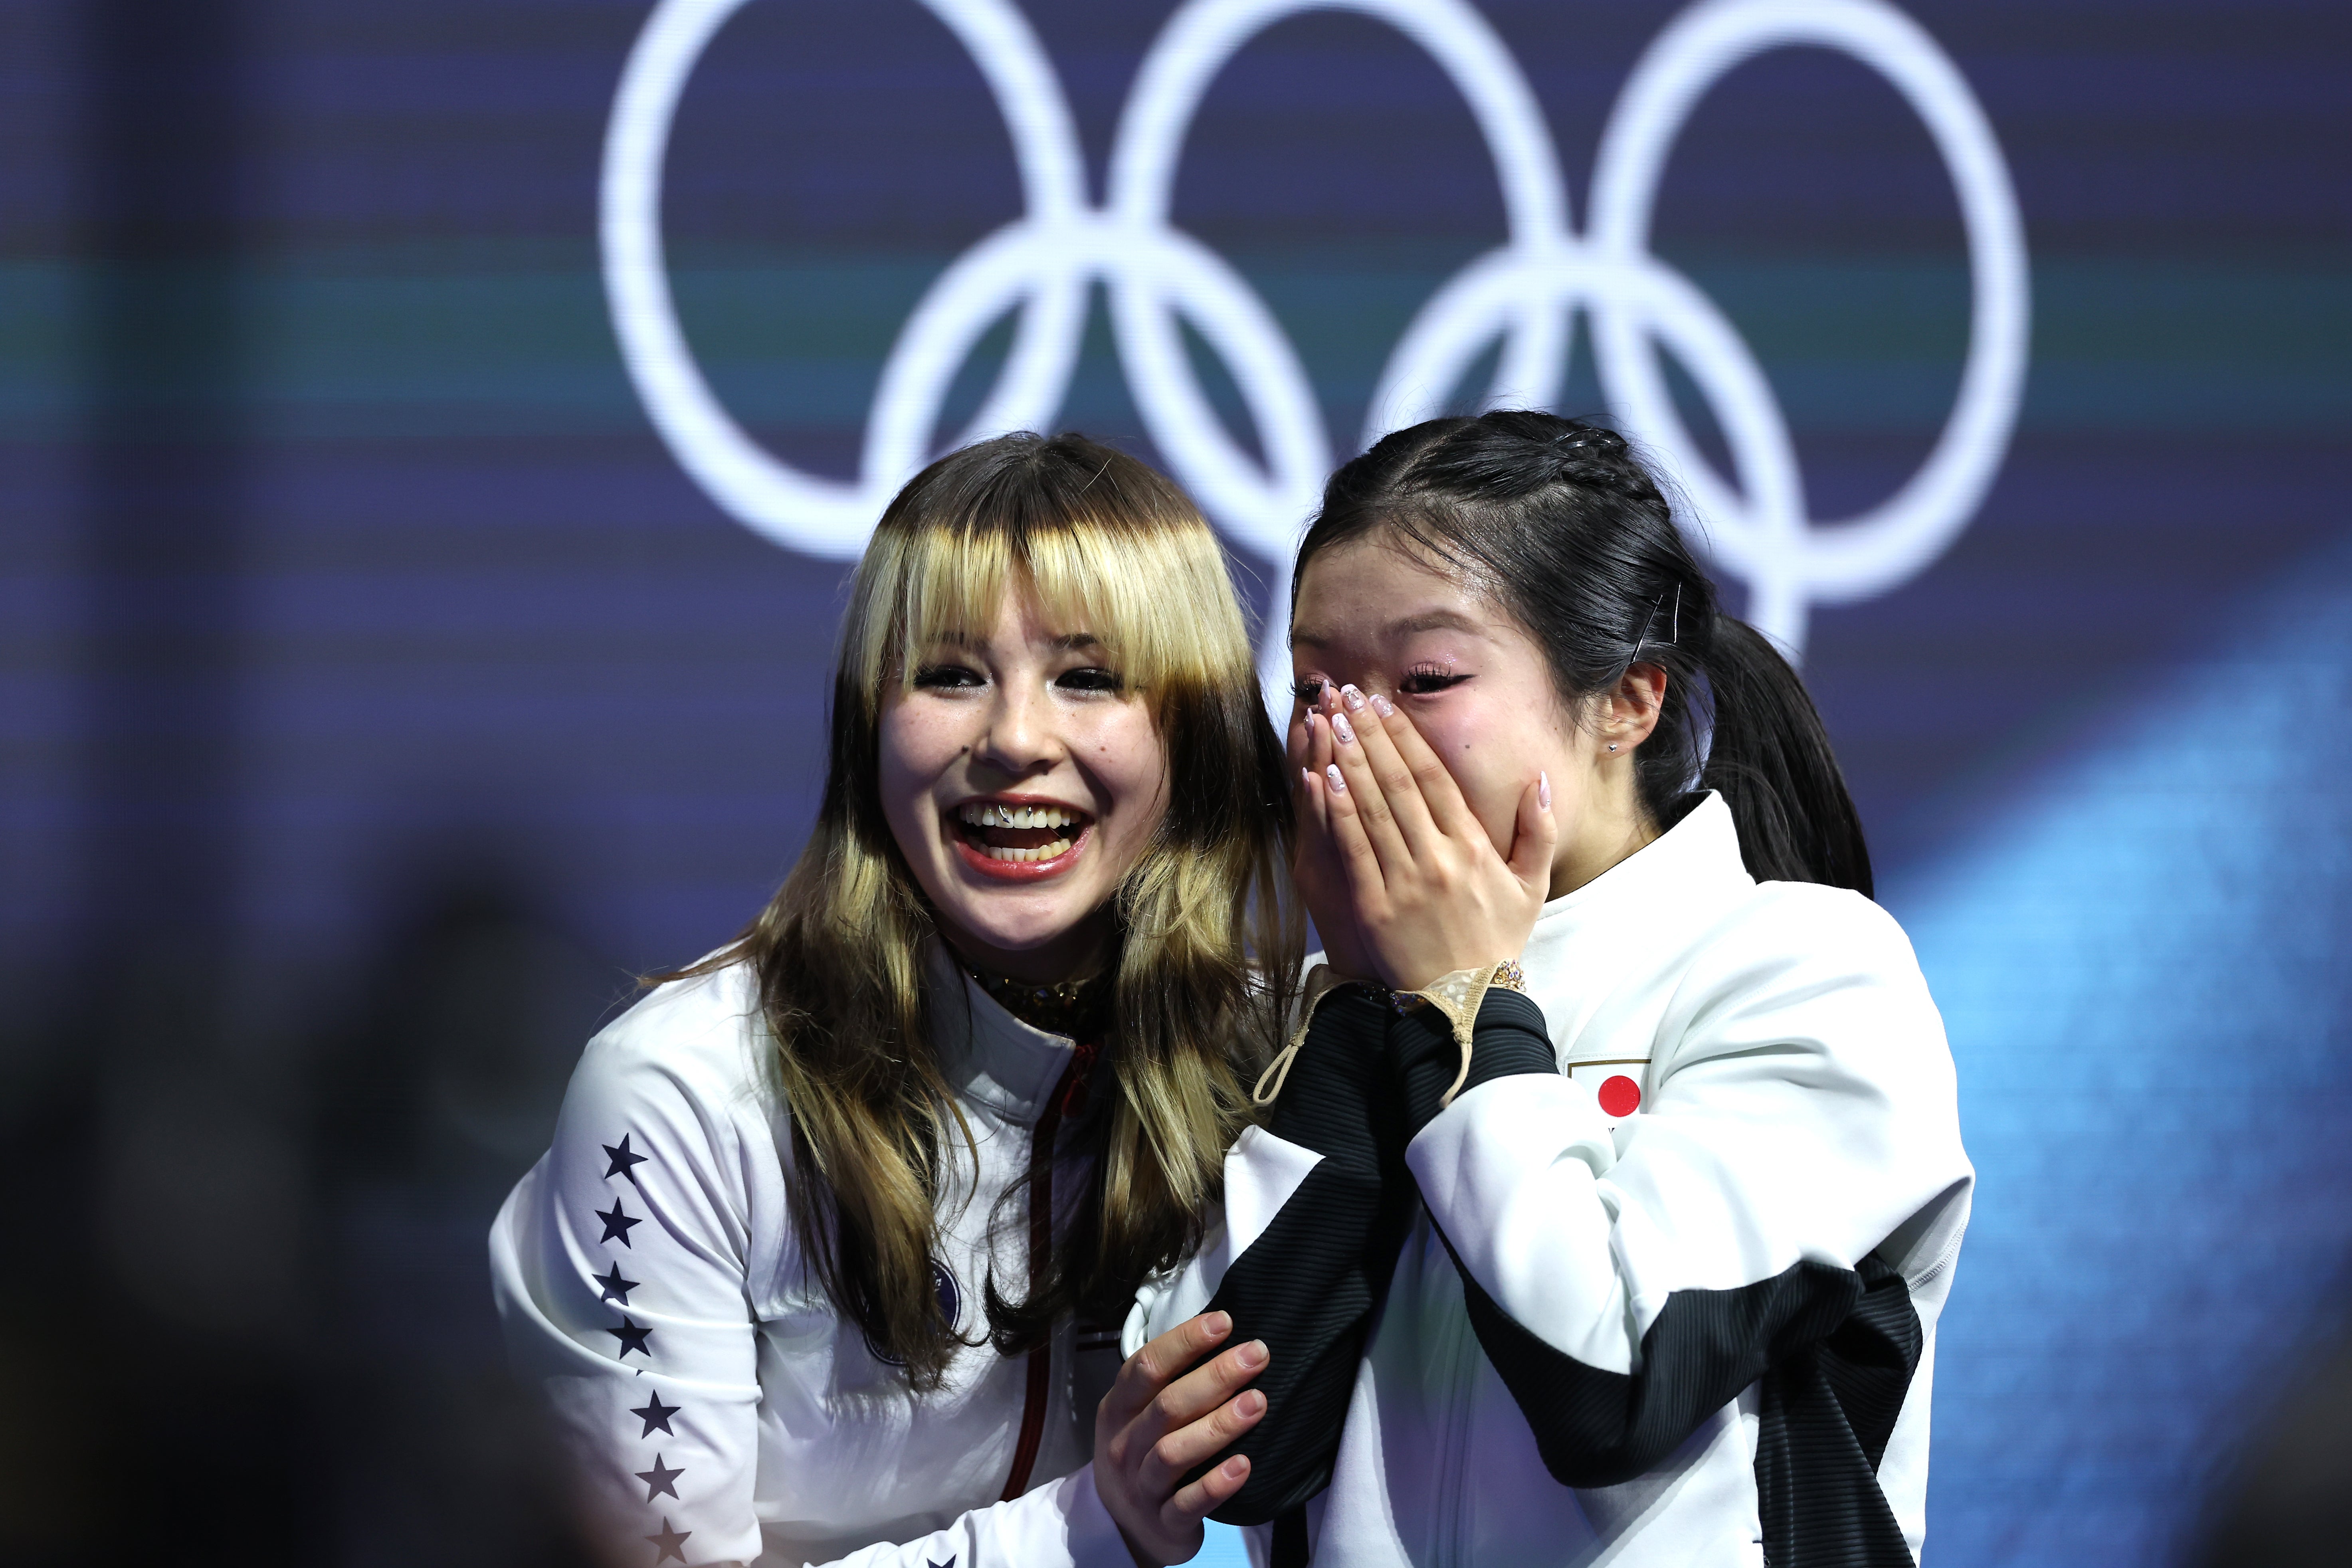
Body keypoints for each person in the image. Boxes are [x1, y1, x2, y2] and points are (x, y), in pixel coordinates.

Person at [1117, 412, 1972, 1566]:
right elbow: (1225, 1449)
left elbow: (1612, 1376)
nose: (1353, 737)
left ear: (1627, 700)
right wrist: (1363, 1008)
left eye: (1425, 678)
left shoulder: (1808, 971)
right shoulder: (1317, 1016)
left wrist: (1466, 999)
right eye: (1318, 686)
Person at [490, 432, 1293, 1568]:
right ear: (867, 723)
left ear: (1194, 734)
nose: (1014, 739)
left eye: (1087, 678)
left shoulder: (1274, 1064)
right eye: (951, 675)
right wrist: (1089, 1528)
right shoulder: (682, 1096)